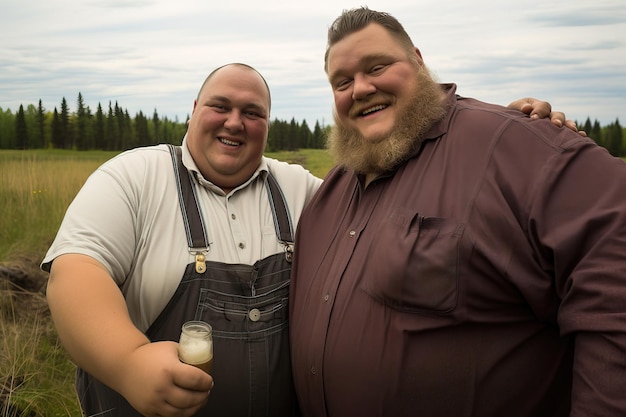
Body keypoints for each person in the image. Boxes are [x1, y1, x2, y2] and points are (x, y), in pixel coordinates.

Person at [43, 62, 577, 417]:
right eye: (219, 106)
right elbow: (75, 275)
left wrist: (505, 134)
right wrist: (129, 363)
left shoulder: (302, 189)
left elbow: (409, 183)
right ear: (192, 113)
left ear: (267, 125)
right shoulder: (134, 178)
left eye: (253, 113)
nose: (235, 122)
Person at [289, 7, 626, 417]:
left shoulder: (515, 146)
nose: (359, 89)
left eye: (376, 67)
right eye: (342, 82)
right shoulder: (327, 194)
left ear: (417, 59)